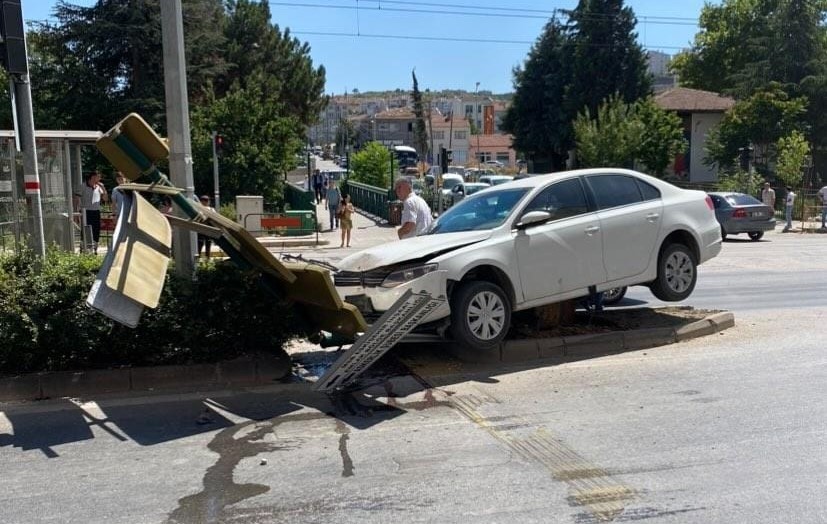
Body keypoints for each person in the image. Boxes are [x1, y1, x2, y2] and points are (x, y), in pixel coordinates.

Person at [73, 171, 108, 251]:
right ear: (93, 177)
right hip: (86, 212)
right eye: (98, 177)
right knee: (86, 230)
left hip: (96, 211)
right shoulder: (83, 186)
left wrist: (103, 189)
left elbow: (105, 199)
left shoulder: (99, 187)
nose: (100, 179)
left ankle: (94, 249)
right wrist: (76, 213)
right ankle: (84, 249)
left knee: (96, 230)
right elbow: (76, 200)